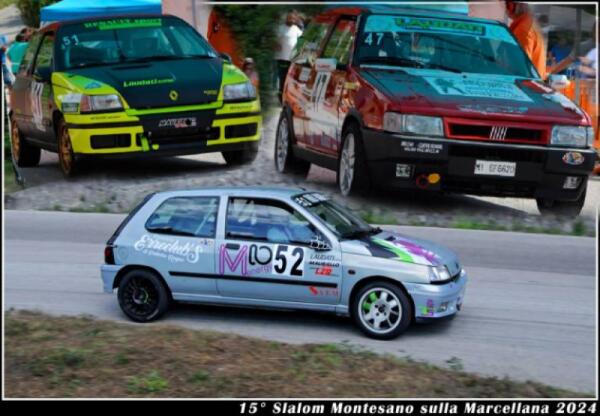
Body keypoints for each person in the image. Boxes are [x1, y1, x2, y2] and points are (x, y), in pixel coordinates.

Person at [505, 1, 547, 79]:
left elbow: (521, 67)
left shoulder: (523, 30)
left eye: (507, 4)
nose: (505, 9)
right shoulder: (526, 24)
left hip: (524, 83)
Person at [274, 10, 303, 92]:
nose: (292, 20)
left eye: (293, 18)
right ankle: (280, 94)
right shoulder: (280, 28)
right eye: (290, 18)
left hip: (292, 59)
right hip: (281, 58)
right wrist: (275, 44)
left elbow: (302, 38)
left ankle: (286, 94)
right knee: (281, 78)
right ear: (286, 18)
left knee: (289, 79)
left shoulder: (296, 29)